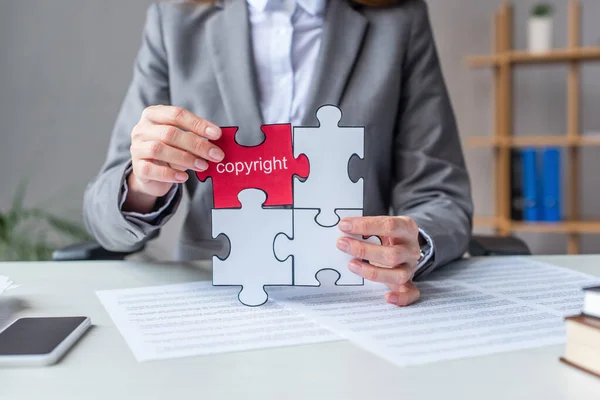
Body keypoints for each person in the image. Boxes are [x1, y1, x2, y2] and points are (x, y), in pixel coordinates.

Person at [84, 0, 473, 307]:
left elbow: (441, 193)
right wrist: (141, 185)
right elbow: (103, 219)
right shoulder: (173, 22)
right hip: (214, 295)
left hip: (355, 293)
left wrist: (414, 244)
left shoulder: (399, 21)